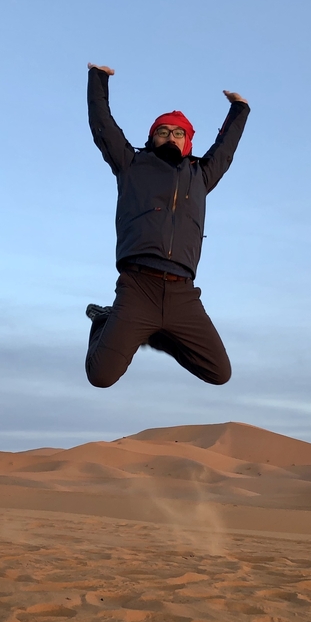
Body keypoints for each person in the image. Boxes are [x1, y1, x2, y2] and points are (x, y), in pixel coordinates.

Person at [85, 63, 249, 389]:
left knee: (219, 373)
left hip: (182, 294)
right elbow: (102, 125)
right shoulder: (131, 163)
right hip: (137, 287)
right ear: (152, 137)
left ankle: (155, 332)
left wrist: (239, 109)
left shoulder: (200, 175)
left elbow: (226, 150)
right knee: (100, 376)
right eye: (163, 131)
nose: (170, 136)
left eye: (178, 133)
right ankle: (104, 319)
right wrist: (98, 78)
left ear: (188, 141)